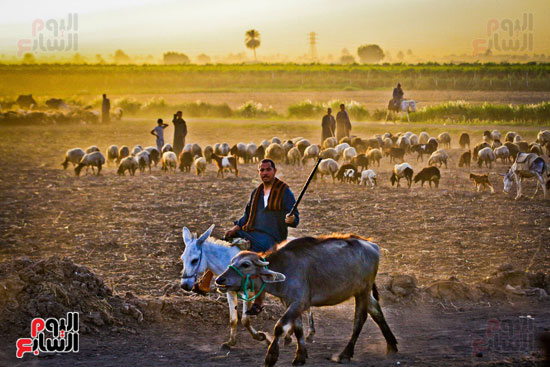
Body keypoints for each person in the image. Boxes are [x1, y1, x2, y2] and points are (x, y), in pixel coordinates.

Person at [194, 159, 299, 315]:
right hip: (251, 231)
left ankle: (258, 301)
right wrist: (236, 227)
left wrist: (291, 219)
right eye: (261, 170)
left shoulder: (285, 192)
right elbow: (247, 214)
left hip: (272, 235)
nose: (265, 173)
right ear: (259, 173)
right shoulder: (257, 192)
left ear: (274, 171)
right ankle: (205, 282)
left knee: (254, 257)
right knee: (224, 242)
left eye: (268, 169)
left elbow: (294, 217)